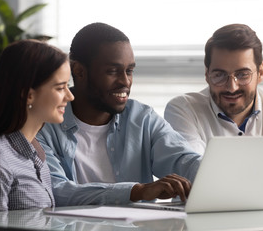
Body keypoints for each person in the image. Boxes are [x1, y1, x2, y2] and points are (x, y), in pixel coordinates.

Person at [36, 22, 201, 206]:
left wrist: (212, 172)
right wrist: (137, 191)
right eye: (112, 71)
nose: (125, 81)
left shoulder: (142, 118)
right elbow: (56, 191)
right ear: (78, 71)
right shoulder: (44, 125)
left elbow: (182, 159)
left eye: (129, 71)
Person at [164, 23, 263, 195]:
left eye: (243, 74)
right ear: (207, 74)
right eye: (219, 75)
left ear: (261, 72)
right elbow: (195, 169)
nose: (231, 87)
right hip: (204, 219)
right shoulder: (184, 109)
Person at [0, 39, 74, 213]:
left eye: (68, 86)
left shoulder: (35, 152)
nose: (70, 96)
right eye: (60, 88)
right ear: (28, 95)